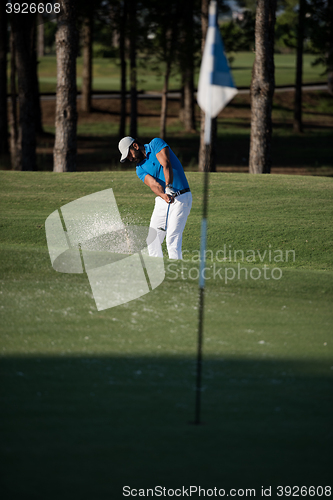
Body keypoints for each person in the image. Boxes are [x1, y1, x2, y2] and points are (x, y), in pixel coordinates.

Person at [118, 136, 192, 260]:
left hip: (181, 197)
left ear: (135, 146)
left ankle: (177, 271)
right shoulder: (139, 169)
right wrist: (163, 195)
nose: (130, 159)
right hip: (163, 201)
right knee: (152, 240)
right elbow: (154, 184)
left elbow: (166, 163)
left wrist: (169, 187)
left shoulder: (155, 144)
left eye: (129, 155)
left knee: (172, 239)